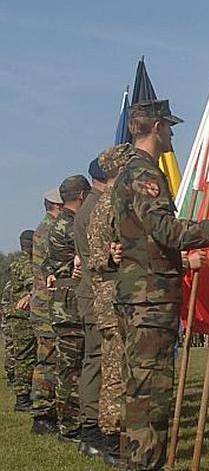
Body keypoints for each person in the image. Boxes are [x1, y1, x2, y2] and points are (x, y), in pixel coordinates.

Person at [111, 99, 209, 470]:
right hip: (148, 298)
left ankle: (134, 461)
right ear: (155, 127)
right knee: (151, 393)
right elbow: (165, 230)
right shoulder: (144, 174)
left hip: (138, 294)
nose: (171, 134)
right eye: (168, 127)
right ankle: (144, 463)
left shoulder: (127, 172)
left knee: (137, 388)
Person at [88, 144, 133, 464]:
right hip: (112, 299)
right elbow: (95, 257)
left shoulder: (111, 202)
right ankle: (112, 440)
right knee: (115, 371)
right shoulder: (108, 205)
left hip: (116, 297)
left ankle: (117, 437)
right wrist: (111, 256)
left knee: (118, 369)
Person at [45, 174, 91, 442]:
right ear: (83, 196)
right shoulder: (72, 226)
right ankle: (71, 426)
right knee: (73, 369)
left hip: (64, 302)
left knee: (68, 367)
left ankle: (69, 423)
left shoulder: (60, 223)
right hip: (72, 304)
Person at [73, 157, 107, 457]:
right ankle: (92, 430)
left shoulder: (91, 207)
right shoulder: (96, 209)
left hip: (93, 294)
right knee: (96, 362)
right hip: (98, 296)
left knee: (96, 361)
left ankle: (92, 429)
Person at [30, 189, 63, 435]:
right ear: (57, 207)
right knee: (47, 359)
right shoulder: (50, 230)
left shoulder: (44, 229)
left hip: (44, 303)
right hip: (47, 304)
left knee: (50, 357)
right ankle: (42, 414)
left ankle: (48, 411)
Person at [6, 230, 37, 412]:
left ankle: (25, 395)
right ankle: (22, 399)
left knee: (24, 356)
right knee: (25, 357)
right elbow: (33, 285)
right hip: (22, 317)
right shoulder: (26, 262)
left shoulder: (17, 261)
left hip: (18, 316)